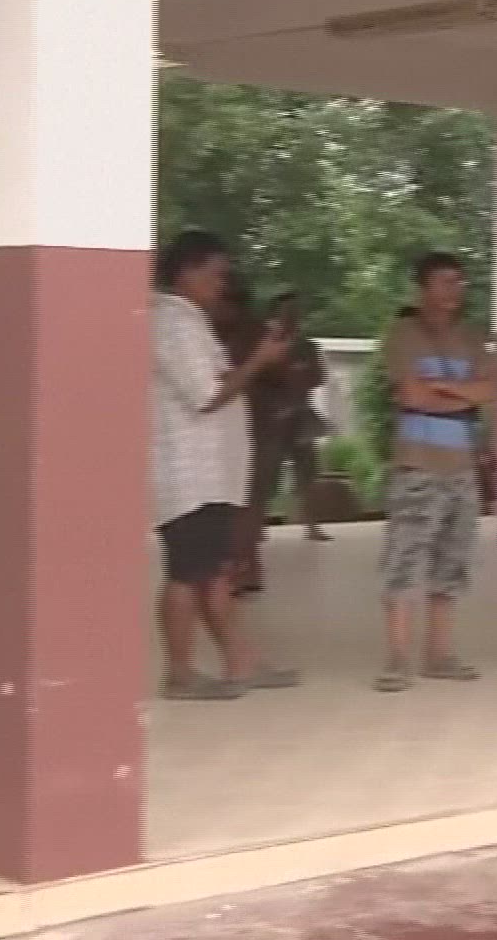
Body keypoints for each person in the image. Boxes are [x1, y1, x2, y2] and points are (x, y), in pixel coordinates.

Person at [152, 229, 301, 700]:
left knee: (214, 573)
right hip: (188, 475)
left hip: (209, 474)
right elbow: (208, 395)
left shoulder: (189, 320)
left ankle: (242, 662)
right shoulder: (171, 323)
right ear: (186, 272)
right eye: (215, 275)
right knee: (185, 574)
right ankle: (179, 672)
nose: (223, 285)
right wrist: (259, 360)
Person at [373, 253, 496, 691]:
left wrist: (446, 391)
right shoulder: (404, 333)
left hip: (461, 468)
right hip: (417, 465)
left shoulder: (471, 336)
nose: (454, 291)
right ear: (422, 288)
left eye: (459, 282)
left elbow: (489, 388)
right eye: (444, 282)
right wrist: (462, 398)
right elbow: (411, 395)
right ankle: (397, 658)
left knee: (452, 562)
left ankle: (439, 655)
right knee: (403, 561)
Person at [256, 291, 333, 543]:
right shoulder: (264, 344)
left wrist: (300, 374)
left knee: (308, 471)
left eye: (296, 312)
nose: (292, 317)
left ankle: (312, 525)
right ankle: (257, 524)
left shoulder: (307, 346)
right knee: (266, 472)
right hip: (271, 418)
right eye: (286, 311)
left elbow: (319, 376)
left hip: (301, 416)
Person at [215, 277, 270, 595]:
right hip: (231, 427)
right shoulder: (216, 332)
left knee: (244, 499)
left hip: (253, 424)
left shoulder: (252, 334)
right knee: (242, 499)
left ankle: (243, 566)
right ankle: (244, 564)